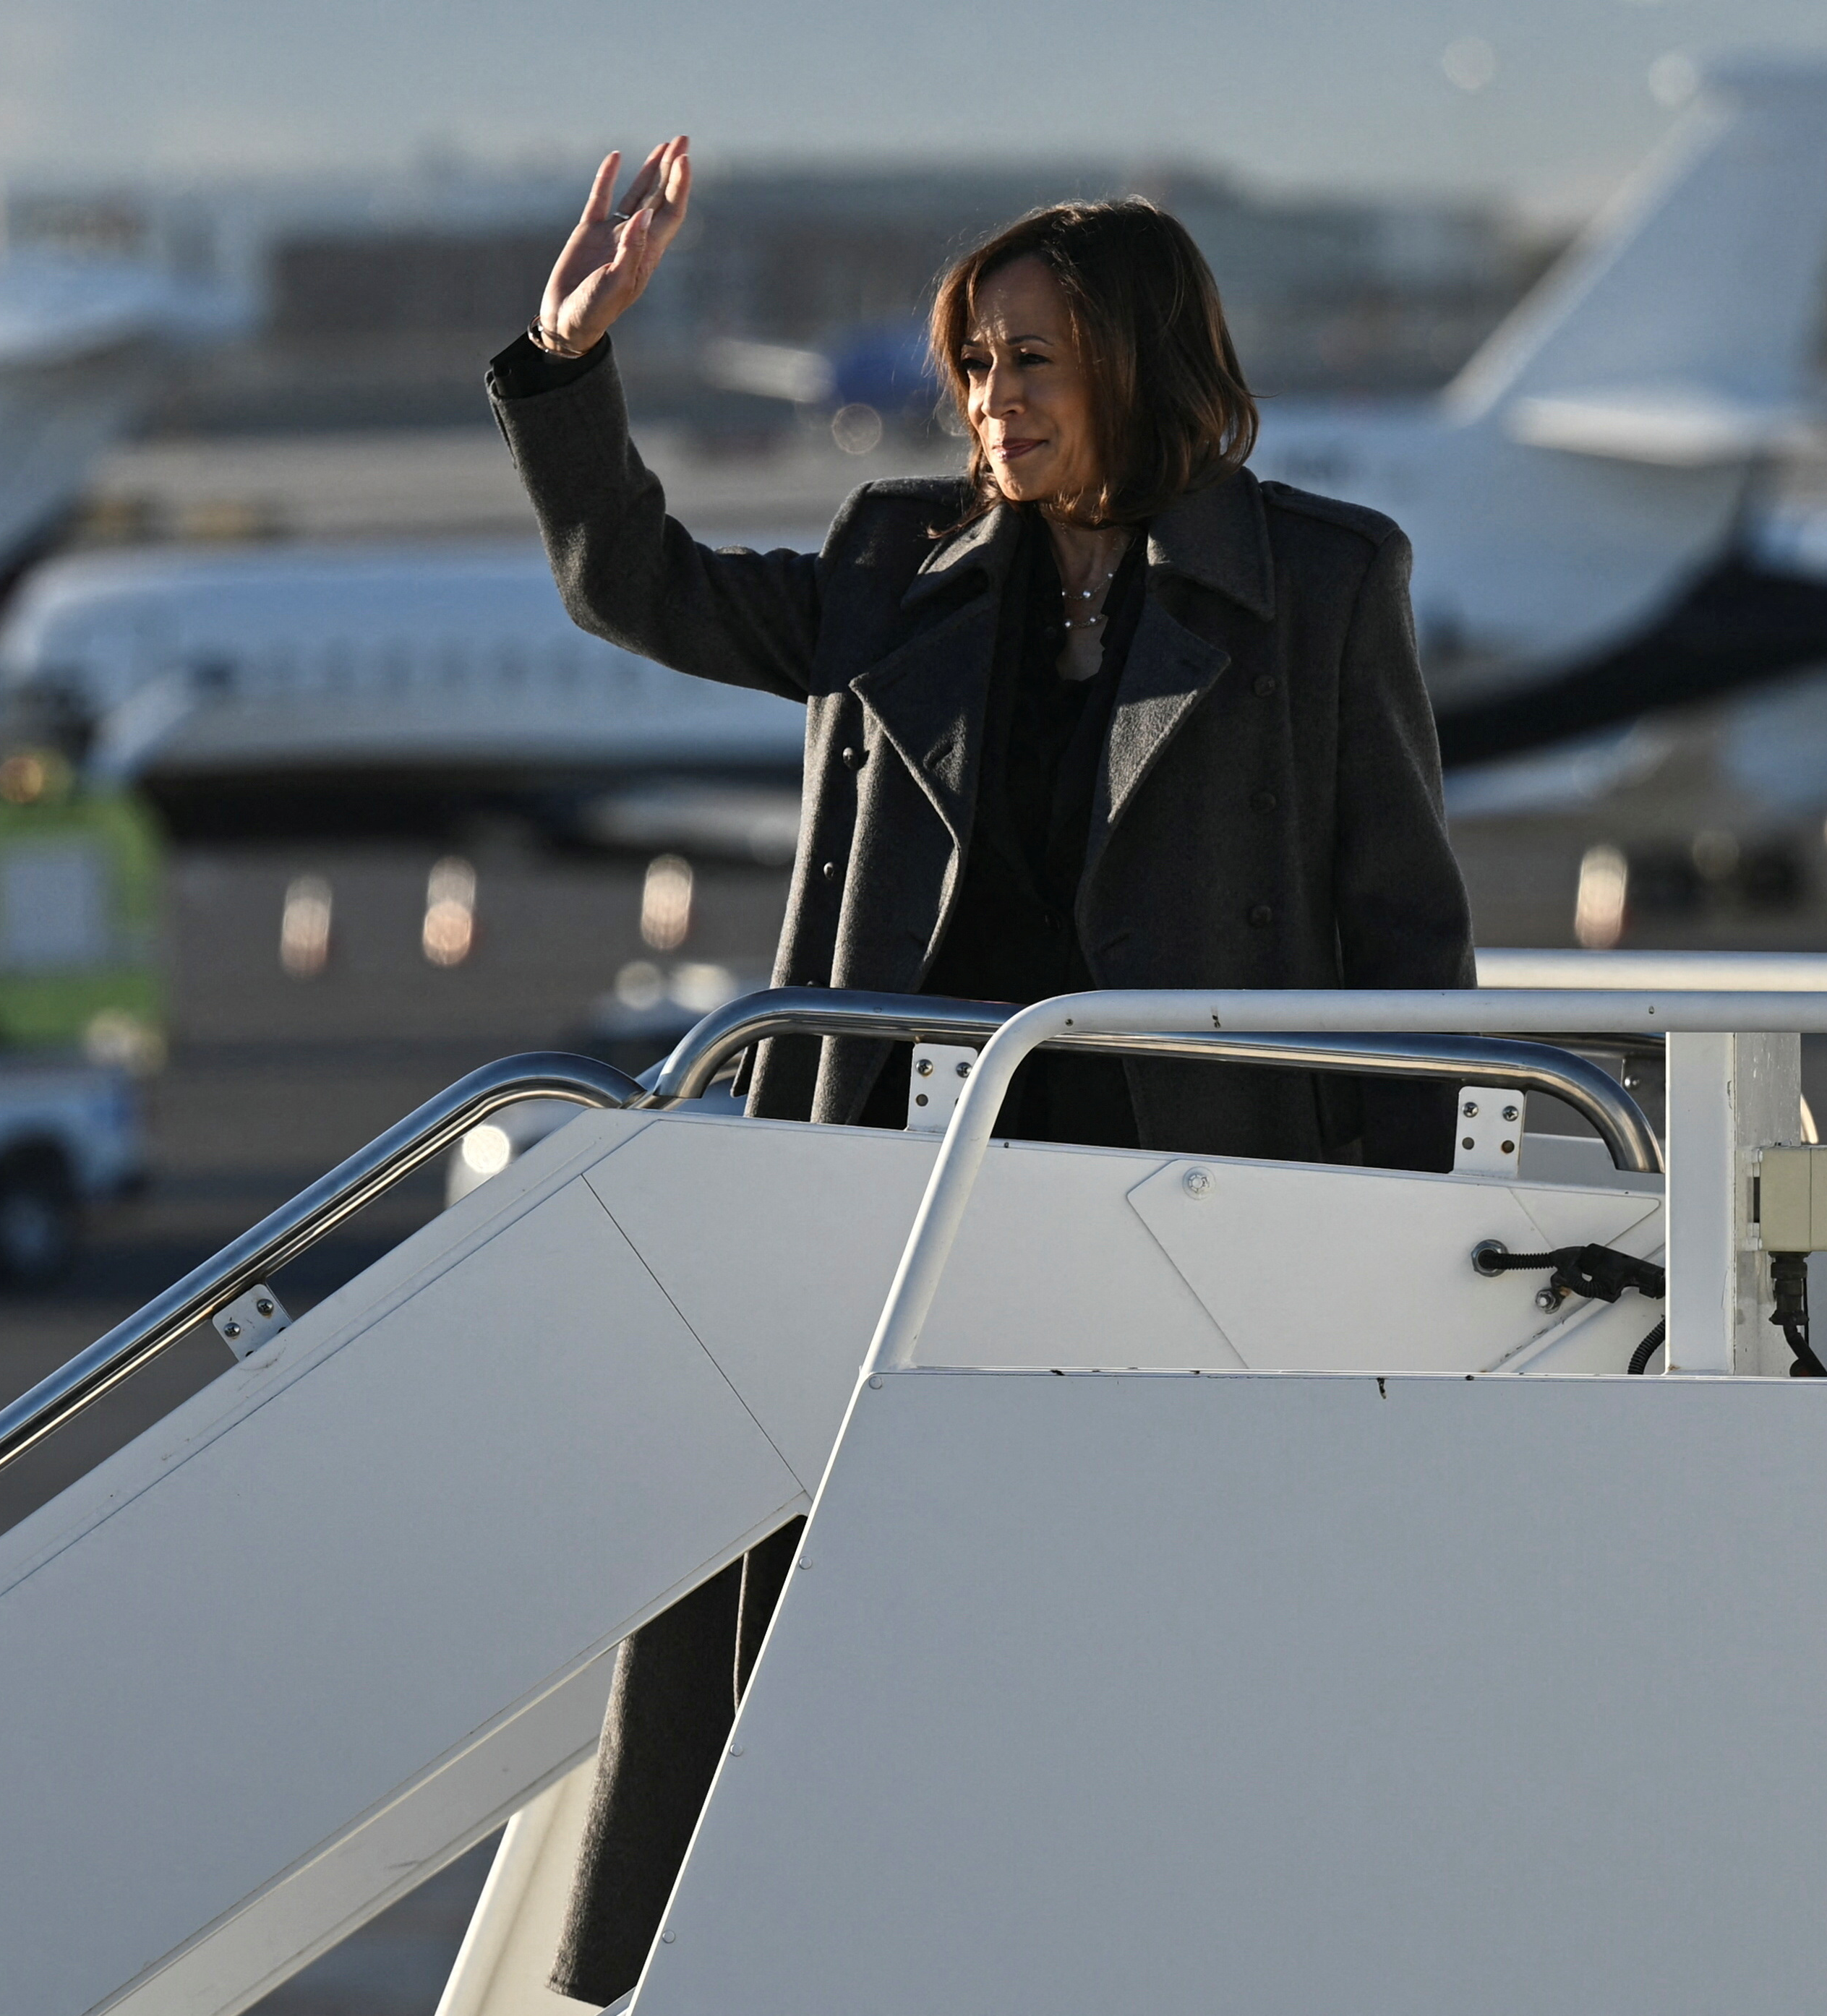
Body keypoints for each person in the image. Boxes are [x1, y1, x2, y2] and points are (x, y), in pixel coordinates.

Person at [486, 137, 1474, 2005]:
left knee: (1139, 1640)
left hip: (1190, 1203)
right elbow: (639, 584)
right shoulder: (894, 571)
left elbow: (1401, 935)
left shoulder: (1328, 584)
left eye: (1029, 360)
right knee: (764, 1583)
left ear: (1139, 360)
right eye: (972, 365)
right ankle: (697, 1950)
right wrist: (567, 369)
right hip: (892, 1191)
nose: (987, 402)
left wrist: (1393, 1247)